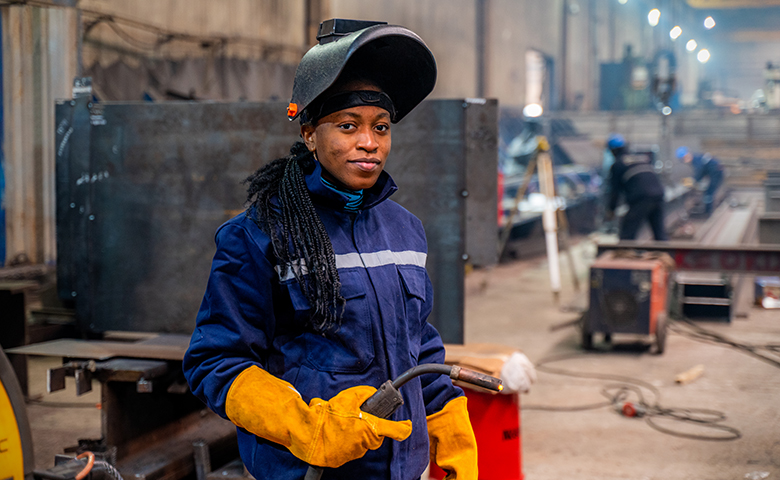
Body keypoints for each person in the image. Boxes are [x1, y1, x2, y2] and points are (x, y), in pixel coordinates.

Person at [183, 19, 477, 480]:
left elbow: (417, 344)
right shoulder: (258, 234)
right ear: (309, 134)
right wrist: (306, 426)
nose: (368, 142)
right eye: (347, 125)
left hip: (403, 467)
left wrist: (448, 425)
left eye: (381, 127)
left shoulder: (406, 230)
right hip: (310, 471)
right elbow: (214, 361)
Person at [604, 134, 668, 241]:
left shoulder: (617, 165)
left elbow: (615, 191)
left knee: (627, 235)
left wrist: (611, 210)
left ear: (612, 151)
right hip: (659, 194)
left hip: (641, 197)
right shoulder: (641, 158)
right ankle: (666, 254)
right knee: (659, 234)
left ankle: (624, 255)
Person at [676, 146, 724, 215]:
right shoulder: (697, 159)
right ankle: (708, 210)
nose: (685, 160)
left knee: (709, 192)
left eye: (685, 157)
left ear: (688, 154)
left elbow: (700, 172)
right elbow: (702, 172)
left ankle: (708, 212)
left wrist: (693, 180)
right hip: (716, 171)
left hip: (716, 172)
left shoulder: (696, 160)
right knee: (709, 192)